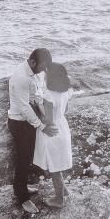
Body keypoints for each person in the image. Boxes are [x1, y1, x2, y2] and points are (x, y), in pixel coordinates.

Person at [8, 47, 58, 216]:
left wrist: (45, 115)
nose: (44, 70)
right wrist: (41, 126)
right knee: (23, 158)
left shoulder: (35, 73)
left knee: (28, 156)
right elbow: (23, 107)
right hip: (18, 122)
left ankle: (20, 186)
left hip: (27, 121)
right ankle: (22, 197)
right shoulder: (21, 77)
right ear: (32, 62)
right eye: (42, 66)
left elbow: (37, 96)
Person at [33, 62, 74, 208]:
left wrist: (37, 107)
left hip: (53, 131)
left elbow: (48, 119)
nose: (44, 75)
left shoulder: (48, 95)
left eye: (46, 73)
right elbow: (65, 110)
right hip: (62, 126)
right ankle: (64, 191)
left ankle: (59, 199)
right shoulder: (66, 91)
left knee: (54, 167)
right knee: (58, 162)